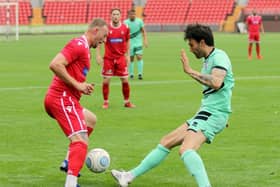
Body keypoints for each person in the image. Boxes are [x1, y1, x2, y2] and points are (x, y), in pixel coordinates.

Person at [111, 24, 234, 187]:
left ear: (202, 42)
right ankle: (129, 176)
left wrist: (190, 71)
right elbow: (219, 90)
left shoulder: (219, 57)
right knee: (166, 141)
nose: (190, 49)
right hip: (209, 113)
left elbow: (217, 82)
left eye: (192, 44)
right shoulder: (209, 59)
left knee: (186, 150)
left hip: (212, 114)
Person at [44, 18, 108, 187]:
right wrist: (77, 85)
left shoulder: (86, 48)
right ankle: (71, 183)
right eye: (104, 35)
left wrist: (81, 87)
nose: (104, 39)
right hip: (61, 98)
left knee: (90, 119)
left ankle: (68, 161)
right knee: (80, 140)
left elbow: (72, 72)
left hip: (68, 98)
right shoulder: (78, 44)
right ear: (96, 30)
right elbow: (55, 64)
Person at [96, 8, 135, 109]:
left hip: (121, 58)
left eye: (117, 14)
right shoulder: (106, 28)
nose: (115, 16)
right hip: (109, 59)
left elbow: (127, 42)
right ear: (111, 16)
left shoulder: (126, 28)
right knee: (106, 80)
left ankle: (127, 102)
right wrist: (98, 55)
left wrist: (128, 55)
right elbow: (100, 41)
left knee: (125, 80)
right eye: (114, 14)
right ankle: (105, 102)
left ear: (120, 16)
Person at [124, 9, 148, 80]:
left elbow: (143, 31)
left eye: (134, 14)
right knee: (131, 58)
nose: (133, 15)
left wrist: (145, 40)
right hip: (129, 43)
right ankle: (131, 74)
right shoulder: (125, 22)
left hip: (138, 42)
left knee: (139, 56)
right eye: (131, 14)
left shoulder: (139, 21)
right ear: (129, 15)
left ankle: (140, 74)